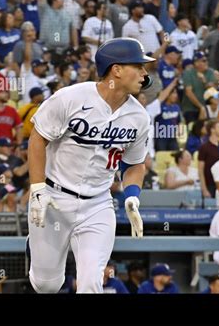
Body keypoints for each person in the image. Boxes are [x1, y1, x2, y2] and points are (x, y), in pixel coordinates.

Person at [26, 38, 152, 293]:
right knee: (46, 285)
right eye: (138, 66)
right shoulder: (70, 98)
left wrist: (132, 196)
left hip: (98, 203)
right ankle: (34, 246)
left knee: (91, 283)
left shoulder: (139, 116)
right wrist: (37, 189)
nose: (144, 73)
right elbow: (37, 137)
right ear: (116, 69)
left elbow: (135, 164)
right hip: (54, 197)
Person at [181, 51, 217, 124]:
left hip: (207, 108)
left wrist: (204, 82)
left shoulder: (210, 72)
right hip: (190, 108)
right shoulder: (188, 73)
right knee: (192, 129)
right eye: (204, 61)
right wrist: (200, 107)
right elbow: (188, 92)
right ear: (196, 63)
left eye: (206, 60)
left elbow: (213, 91)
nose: (206, 62)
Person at [198, 120, 219, 198]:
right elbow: (200, 170)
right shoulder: (204, 147)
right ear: (212, 129)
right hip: (209, 185)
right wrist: (204, 189)